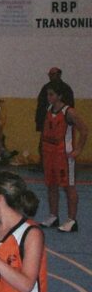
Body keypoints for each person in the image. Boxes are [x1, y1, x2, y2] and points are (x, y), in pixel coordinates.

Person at [39, 80, 88, 233]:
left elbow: (84, 130)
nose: (48, 97)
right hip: (49, 154)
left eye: (51, 94)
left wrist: (78, 149)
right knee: (51, 185)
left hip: (64, 156)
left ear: (59, 95)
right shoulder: (48, 109)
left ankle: (72, 220)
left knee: (68, 187)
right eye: (48, 94)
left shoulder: (69, 112)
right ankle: (53, 216)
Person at [35, 67, 75, 168]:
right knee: (44, 144)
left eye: (53, 74)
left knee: (60, 145)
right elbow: (40, 105)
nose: (50, 76)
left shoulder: (66, 89)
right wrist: (39, 120)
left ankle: (60, 165)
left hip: (61, 122)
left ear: (59, 75)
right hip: (47, 121)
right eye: (49, 74)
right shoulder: (45, 88)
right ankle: (43, 164)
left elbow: (70, 106)